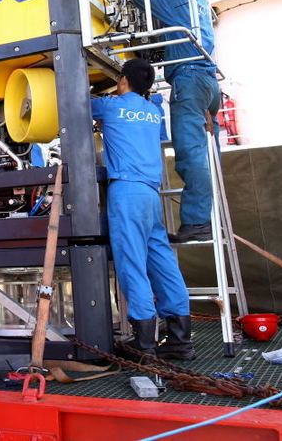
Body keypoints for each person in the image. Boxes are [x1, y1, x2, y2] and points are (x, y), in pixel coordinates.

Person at [92, 58, 195, 359]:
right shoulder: (153, 111)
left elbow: (71, 103)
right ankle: (180, 341)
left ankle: (145, 343)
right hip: (151, 194)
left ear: (123, 80)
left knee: (132, 263)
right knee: (162, 263)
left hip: (126, 192)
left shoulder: (110, 106)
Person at [129, 0, 219, 243]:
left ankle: (197, 222)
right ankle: (207, 216)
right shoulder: (199, 3)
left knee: (191, 154)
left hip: (189, 81)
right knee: (207, 155)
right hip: (209, 82)